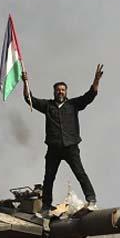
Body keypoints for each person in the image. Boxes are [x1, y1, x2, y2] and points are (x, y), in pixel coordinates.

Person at [21, 65, 104, 215]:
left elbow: (90, 96)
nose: (60, 92)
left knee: (80, 173)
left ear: (66, 92)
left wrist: (96, 80)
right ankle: (46, 206)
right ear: (54, 92)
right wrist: (25, 82)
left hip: (71, 147)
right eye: (58, 90)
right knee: (49, 178)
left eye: (63, 90)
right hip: (54, 148)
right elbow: (29, 99)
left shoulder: (73, 105)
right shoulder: (48, 106)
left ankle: (91, 199)